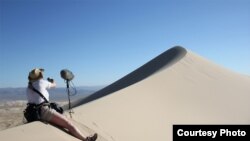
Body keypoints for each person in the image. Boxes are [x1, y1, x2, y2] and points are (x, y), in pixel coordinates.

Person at [26, 68, 97, 141]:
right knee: (68, 123)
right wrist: (53, 81)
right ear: (40, 75)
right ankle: (86, 139)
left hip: (34, 112)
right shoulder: (41, 82)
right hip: (44, 111)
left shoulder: (29, 87)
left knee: (63, 118)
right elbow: (54, 85)